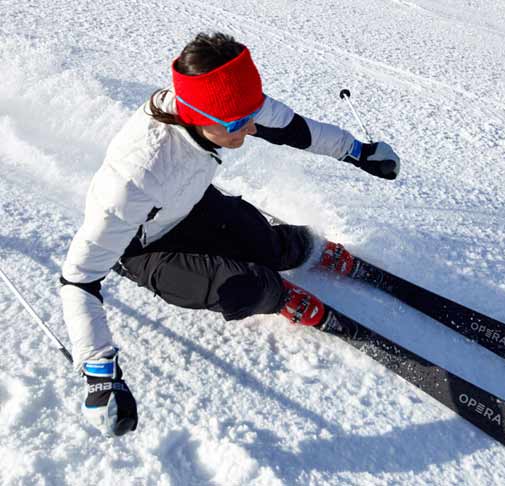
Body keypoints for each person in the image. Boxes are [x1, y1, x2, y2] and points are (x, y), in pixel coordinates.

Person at [60, 32, 400, 437]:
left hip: (190, 204)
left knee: (272, 246)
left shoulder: (230, 106)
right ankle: (276, 296)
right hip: (144, 248)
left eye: (251, 114)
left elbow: (295, 130)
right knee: (250, 285)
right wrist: (100, 373)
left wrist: (358, 152)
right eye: (238, 124)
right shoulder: (133, 181)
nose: (250, 128)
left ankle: (296, 250)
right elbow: (77, 280)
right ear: (197, 117)